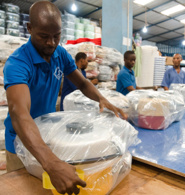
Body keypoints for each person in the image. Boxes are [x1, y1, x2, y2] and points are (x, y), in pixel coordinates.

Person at [3, 1, 125, 195]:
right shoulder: (18, 63)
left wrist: (102, 99)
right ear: (29, 28)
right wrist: (51, 163)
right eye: (44, 36)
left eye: (56, 36)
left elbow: (83, 83)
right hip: (22, 145)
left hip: (49, 140)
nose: (51, 42)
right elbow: (20, 114)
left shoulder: (59, 54)